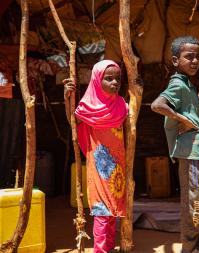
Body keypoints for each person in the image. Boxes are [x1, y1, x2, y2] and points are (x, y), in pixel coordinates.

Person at [151, 36, 199, 253]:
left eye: (198, 57)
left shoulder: (187, 84)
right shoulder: (177, 84)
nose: (195, 61)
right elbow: (157, 105)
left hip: (197, 152)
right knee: (194, 202)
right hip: (189, 154)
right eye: (189, 57)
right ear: (176, 60)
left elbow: (195, 103)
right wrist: (184, 120)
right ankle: (189, 248)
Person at [63, 60, 129, 253]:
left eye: (117, 79)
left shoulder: (121, 104)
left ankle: (108, 248)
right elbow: (73, 123)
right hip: (99, 167)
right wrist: (67, 98)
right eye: (108, 79)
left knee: (112, 213)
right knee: (102, 211)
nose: (114, 82)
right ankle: (100, 250)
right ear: (97, 80)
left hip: (118, 168)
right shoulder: (87, 105)